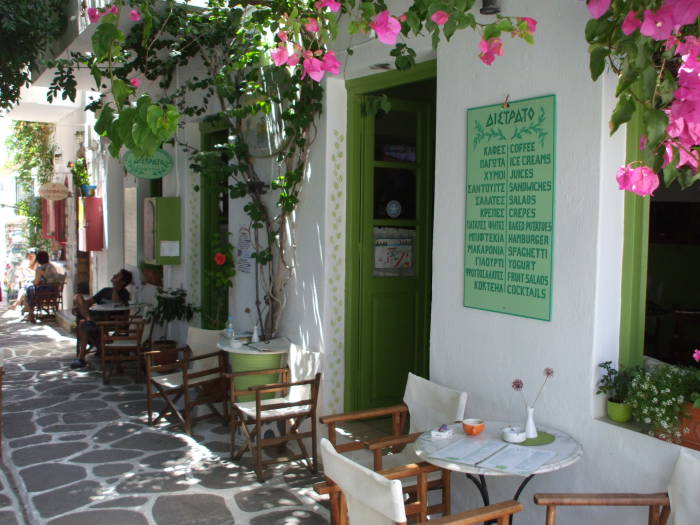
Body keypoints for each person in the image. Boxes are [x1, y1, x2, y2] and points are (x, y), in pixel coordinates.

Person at [70, 269, 133, 369]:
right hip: (94, 318)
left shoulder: (124, 293)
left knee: (83, 323)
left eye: (118, 275)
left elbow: (115, 303)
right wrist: (78, 306)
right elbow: (89, 302)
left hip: (108, 321)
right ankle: (88, 320)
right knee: (77, 297)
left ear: (123, 282)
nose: (114, 275)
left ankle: (81, 358)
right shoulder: (105, 291)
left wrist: (115, 288)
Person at [22, 251, 62, 322]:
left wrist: (33, 282)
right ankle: (29, 311)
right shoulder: (51, 266)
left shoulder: (40, 268)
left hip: (46, 291)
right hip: (55, 291)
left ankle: (30, 312)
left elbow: (36, 282)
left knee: (29, 288)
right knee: (29, 288)